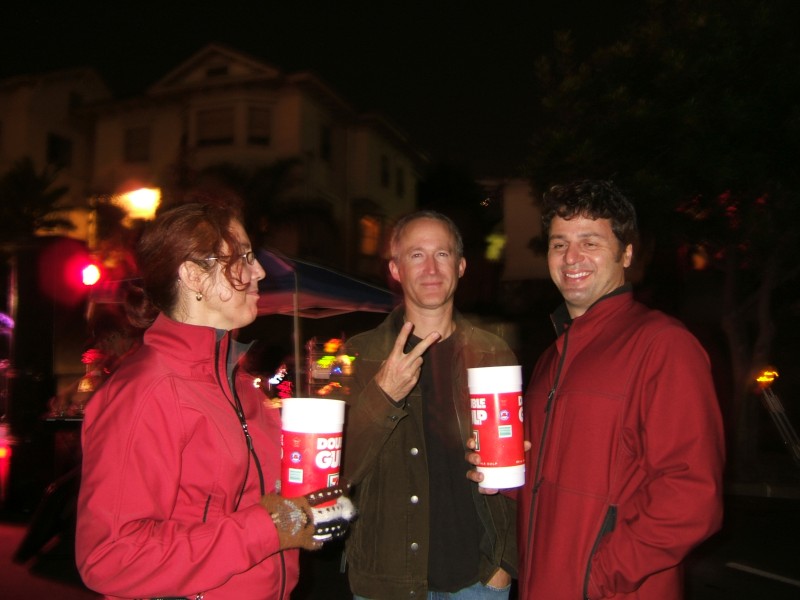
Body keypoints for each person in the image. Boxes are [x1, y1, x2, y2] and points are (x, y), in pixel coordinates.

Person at [470, 180, 725, 599]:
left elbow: (692, 495)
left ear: (626, 252)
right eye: (559, 244)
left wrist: (600, 576)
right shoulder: (553, 358)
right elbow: (556, 479)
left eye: (590, 242)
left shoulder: (663, 344)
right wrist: (502, 473)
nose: (572, 258)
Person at [76, 198, 325, 599]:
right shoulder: (146, 392)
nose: (259, 270)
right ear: (193, 275)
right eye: (243, 257)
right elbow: (110, 558)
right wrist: (270, 528)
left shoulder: (236, 382)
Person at [340, 210, 518, 599]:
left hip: (478, 581)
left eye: (443, 254)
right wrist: (383, 393)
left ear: (461, 265)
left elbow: (516, 477)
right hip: (385, 582)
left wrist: (504, 563)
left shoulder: (493, 353)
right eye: (417, 255)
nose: (432, 268)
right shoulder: (359, 354)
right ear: (396, 268)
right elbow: (337, 471)